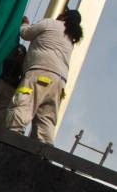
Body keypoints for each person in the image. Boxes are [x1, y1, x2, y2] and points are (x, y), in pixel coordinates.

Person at [6, 9, 83, 144]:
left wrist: (24, 23)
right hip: (59, 83)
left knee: (23, 104)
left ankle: (12, 139)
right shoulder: (70, 37)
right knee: (46, 118)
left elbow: (26, 34)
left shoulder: (51, 23)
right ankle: (44, 152)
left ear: (64, 16)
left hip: (40, 73)